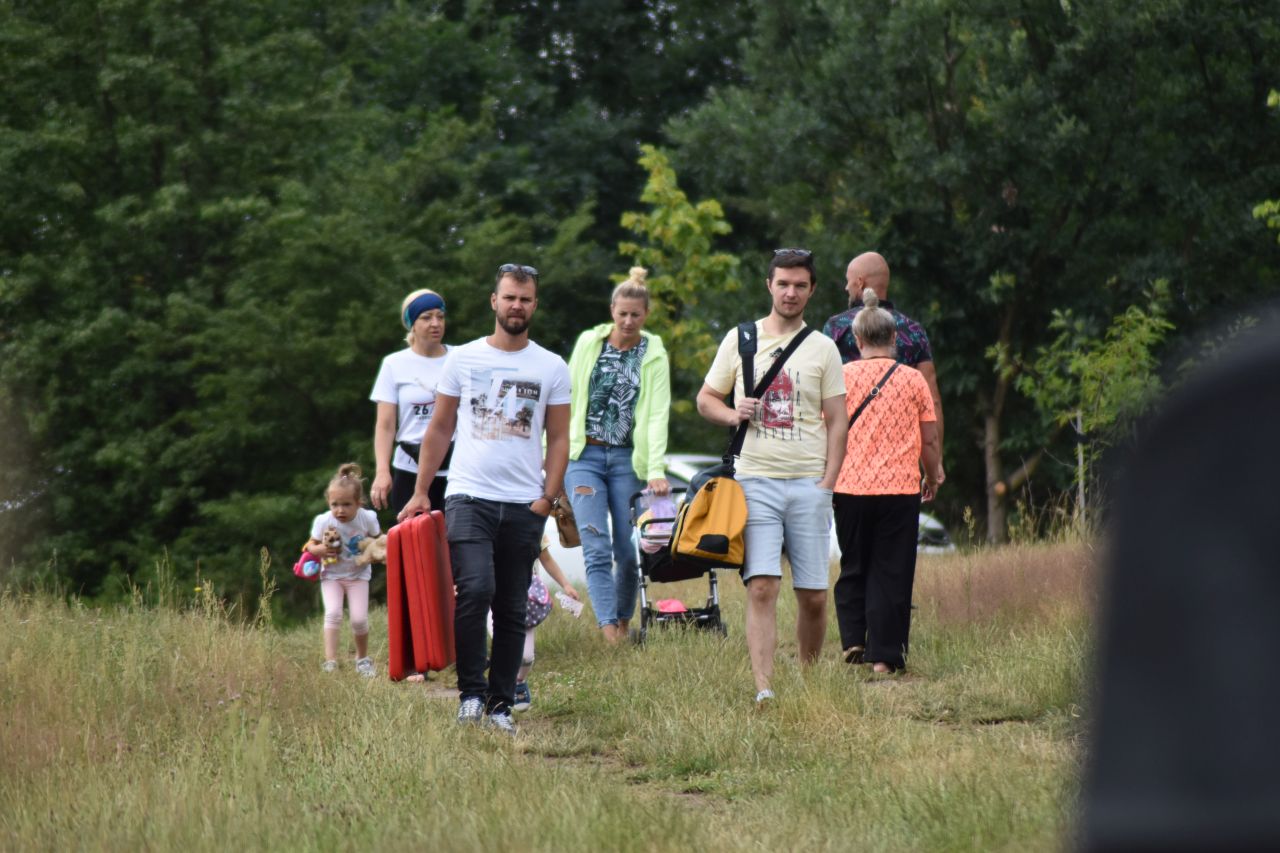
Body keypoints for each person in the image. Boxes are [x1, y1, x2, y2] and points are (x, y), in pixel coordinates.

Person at [398, 263, 571, 736]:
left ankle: (500, 705)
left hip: (524, 502)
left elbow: (559, 438)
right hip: (468, 496)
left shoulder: (551, 366)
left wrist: (547, 498)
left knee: (512, 605)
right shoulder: (464, 360)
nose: (517, 306)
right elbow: (440, 428)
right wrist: (420, 491)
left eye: (525, 299)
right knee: (475, 590)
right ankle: (471, 695)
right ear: (494, 301)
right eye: (509, 297)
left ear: (535, 305)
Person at [696, 248, 847, 705]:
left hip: (808, 482)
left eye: (800, 285)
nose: (790, 293)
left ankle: (809, 679)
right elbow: (705, 399)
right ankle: (764, 687)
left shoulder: (823, 347)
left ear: (812, 290)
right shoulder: (741, 338)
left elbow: (838, 419)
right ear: (769, 285)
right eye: (783, 284)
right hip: (755, 479)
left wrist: (828, 482)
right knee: (762, 585)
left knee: (813, 595)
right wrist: (732, 413)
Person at [831, 289, 943, 674]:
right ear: (894, 338)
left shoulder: (841, 378)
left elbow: (827, 431)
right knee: (891, 569)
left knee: (853, 563)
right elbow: (929, 439)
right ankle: (884, 657)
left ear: (857, 339)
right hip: (899, 488)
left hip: (849, 487)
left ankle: (853, 639)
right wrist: (933, 474)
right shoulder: (913, 380)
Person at [565, 266, 671, 643]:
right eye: (622, 313)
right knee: (595, 545)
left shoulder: (654, 354)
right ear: (612, 310)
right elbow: (566, 397)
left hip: (628, 460)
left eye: (635, 315)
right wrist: (551, 455)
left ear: (646, 315)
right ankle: (609, 633)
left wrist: (655, 468)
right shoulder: (588, 343)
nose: (628, 321)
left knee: (627, 550)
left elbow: (657, 414)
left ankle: (624, 621)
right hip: (584, 458)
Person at [822, 252, 945, 451]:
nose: (846, 287)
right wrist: (935, 458)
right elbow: (933, 401)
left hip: (849, 452)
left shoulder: (837, 327)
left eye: (848, 281)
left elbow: (823, 393)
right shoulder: (913, 330)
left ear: (860, 282)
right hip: (901, 450)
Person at [370, 289, 452, 516]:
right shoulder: (394, 364)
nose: (435, 323)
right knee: (413, 537)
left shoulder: (459, 359)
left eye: (440, 317)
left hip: (454, 470)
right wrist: (382, 471)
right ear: (412, 324)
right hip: (409, 467)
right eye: (426, 317)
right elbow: (385, 425)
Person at [304, 463, 383, 676]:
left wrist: (377, 554)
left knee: (359, 619)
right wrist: (319, 549)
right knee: (333, 614)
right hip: (331, 576)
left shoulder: (367, 518)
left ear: (358, 503)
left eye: (347, 504)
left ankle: (362, 659)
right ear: (329, 503)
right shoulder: (323, 521)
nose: (340, 510)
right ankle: (330, 661)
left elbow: (379, 541)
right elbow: (310, 545)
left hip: (358, 576)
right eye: (335, 504)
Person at [490, 535, 581, 713]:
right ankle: (498, 698)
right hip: (492, 593)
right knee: (504, 645)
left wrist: (566, 585)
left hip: (524, 597)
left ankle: (519, 680)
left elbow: (546, 558)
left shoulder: (531, 525)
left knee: (526, 657)